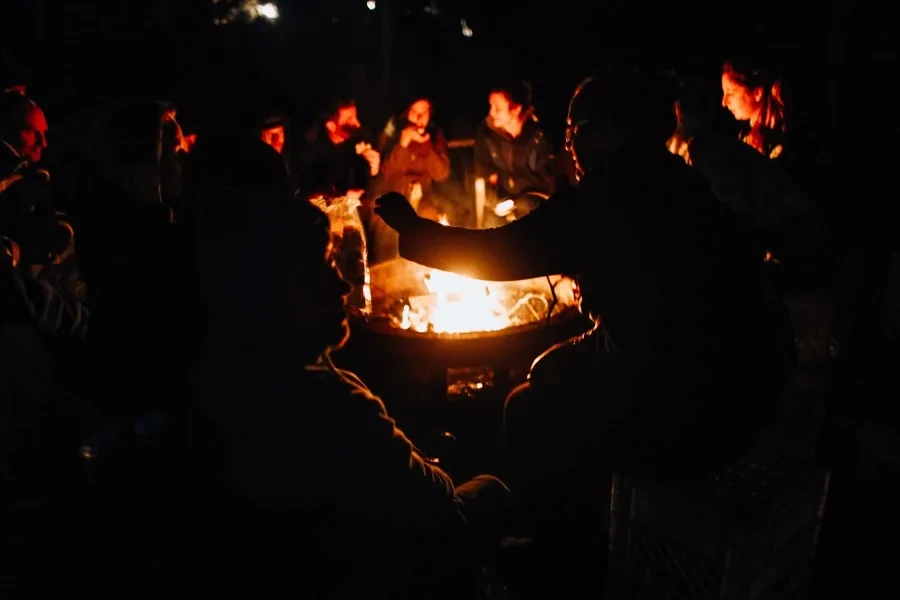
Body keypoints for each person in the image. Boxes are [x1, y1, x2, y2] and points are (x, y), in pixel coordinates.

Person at [376, 70, 788, 536]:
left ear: (613, 129)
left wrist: (414, 231)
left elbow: (495, 253)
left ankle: (553, 542)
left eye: (577, 131)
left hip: (685, 413)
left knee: (526, 405)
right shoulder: (679, 179)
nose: (569, 144)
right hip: (743, 388)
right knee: (552, 368)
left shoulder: (605, 195)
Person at [189, 136, 510, 598]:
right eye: (323, 268)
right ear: (278, 294)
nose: (342, 284)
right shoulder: (329, 402)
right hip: (370, 566)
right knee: (491, 490)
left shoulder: (220, 370)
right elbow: (434, 502)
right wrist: (441, 473)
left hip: (315, 556)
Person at [474, 80, 552, 223]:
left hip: (535, 202)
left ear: (516, 109)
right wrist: (494, 202)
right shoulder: (487, 133)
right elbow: (486, 173)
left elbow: (547, 181)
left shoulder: (539, 136)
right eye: (491, 106)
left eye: (498, 108)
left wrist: (520, 201)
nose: (491, 113)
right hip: (503, 201)